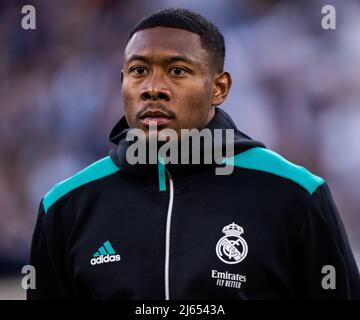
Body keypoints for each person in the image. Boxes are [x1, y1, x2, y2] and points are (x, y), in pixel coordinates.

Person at [27, 8, 359, 300]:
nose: (152, 87)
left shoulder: (296, 194)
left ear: (219, 88)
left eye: (177, 71)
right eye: (139, 70)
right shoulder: (66, 206)